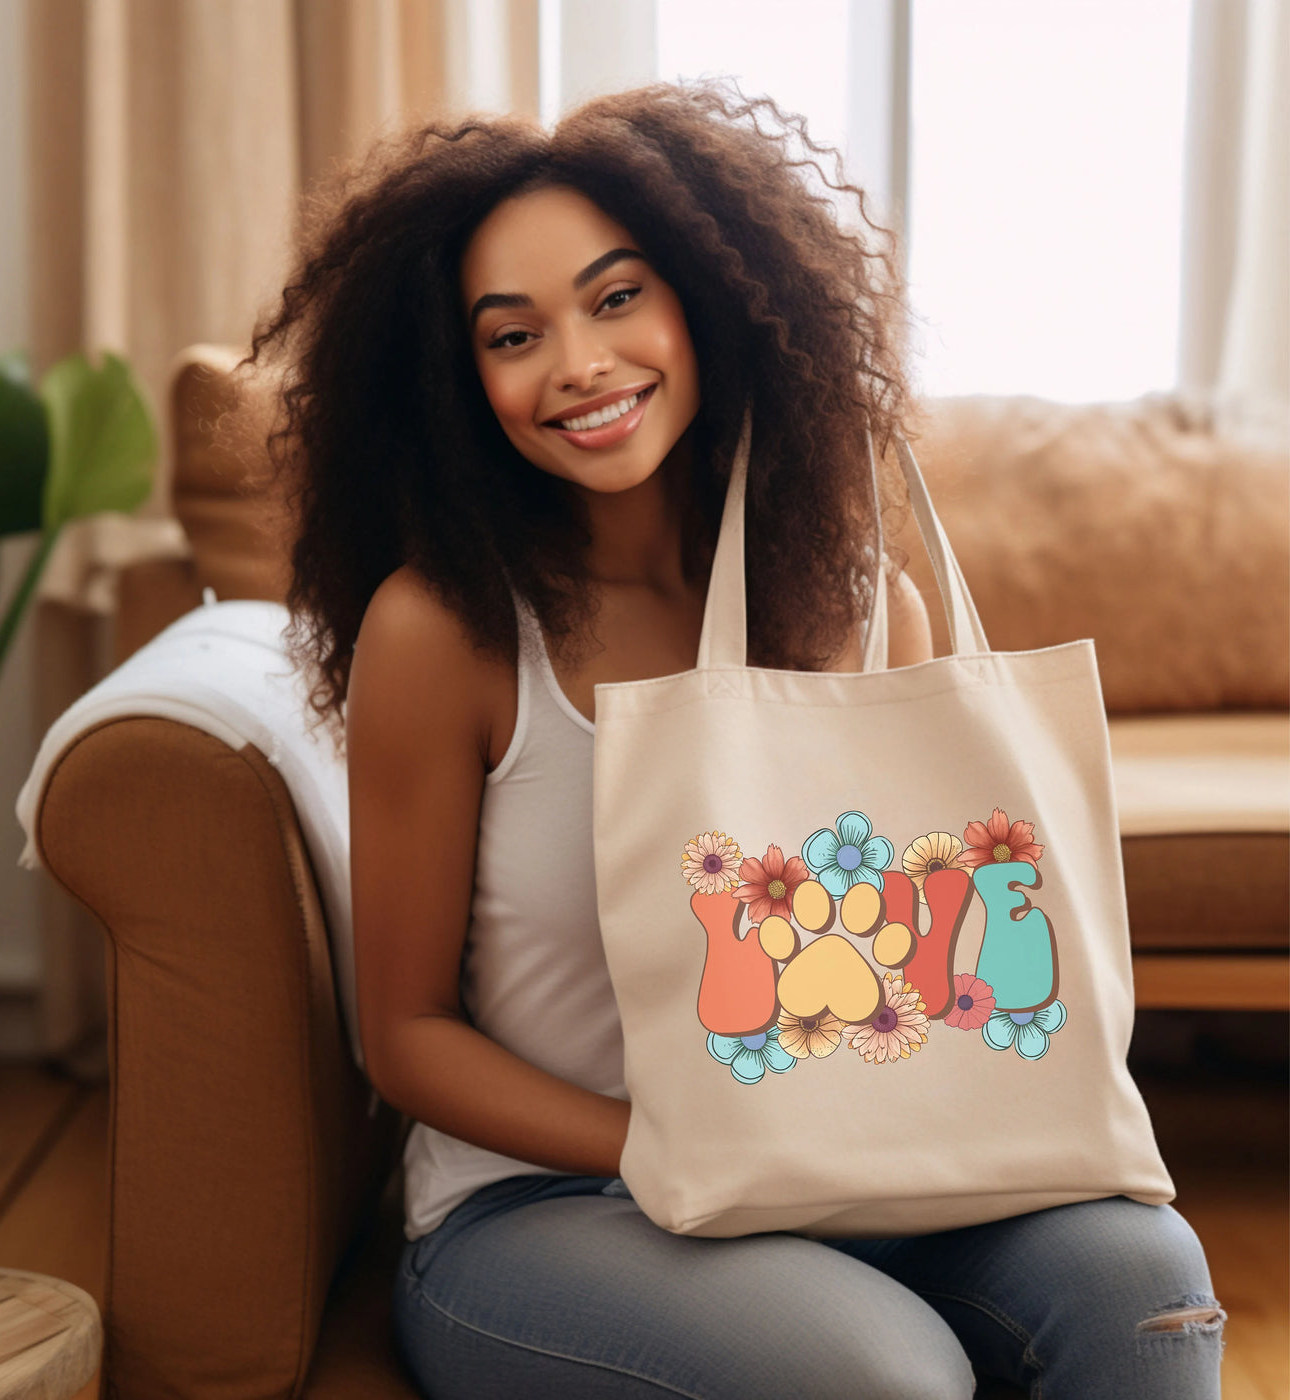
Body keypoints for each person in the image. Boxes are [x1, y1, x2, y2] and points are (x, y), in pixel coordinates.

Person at [241, 81, 1225, 1400]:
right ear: (458, 380)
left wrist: (826, 1140)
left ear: (711, 297)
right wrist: (684, 1139)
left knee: (1142, 1287)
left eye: (615, 297)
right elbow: (406, 1036)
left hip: (871, 1166)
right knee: (885, 1379)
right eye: (513, 334)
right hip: (554, 1206)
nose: (580, 362)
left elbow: (917, 963)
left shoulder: (867, 597)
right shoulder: (446, 632)